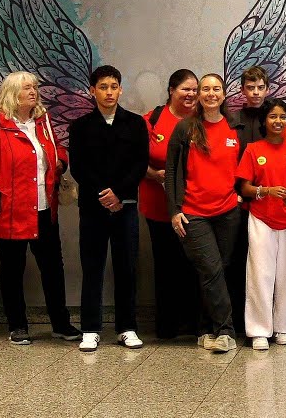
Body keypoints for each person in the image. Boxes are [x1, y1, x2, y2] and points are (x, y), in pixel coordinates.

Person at [0, 71, 79, 345]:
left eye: (35, 87)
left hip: (44, 209)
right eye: (26, 88)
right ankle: (17, 325)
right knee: (12, 269)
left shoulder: (43, 121)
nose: (33, 92)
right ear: (12, 93)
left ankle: (61, 323)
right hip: (9, 211)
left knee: (53, 267)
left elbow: (56, 149)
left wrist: (61, 162)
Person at [68, 65, 150, 351]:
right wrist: (104, 194)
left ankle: (127, 327)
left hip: (125, 205)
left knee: (126, 267)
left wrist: (119, 193)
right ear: (92, 91)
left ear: (121, 89)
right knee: (93, 267)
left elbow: (140, 164)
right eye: (103, 87)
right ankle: (90, 328)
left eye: (114, 86)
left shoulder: (136, 124)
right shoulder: (80, 126)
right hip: (93, 206)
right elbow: (78, 166)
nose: (109, 92)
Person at [164, 73, 245, 353]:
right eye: (205, 89)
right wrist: (174, 210)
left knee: (218, 270)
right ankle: (225, 331)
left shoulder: (236, 127)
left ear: (224, 94)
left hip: (227, 212)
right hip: (193, 213)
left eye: (216, 89)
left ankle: (205, 327)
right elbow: (172, 170)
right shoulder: (186, 128)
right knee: (211, 269)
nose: (211, 94)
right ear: (199, 94)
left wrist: (239, 193)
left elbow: (244, 168)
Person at [235, 99, 286, 350]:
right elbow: (244, 187)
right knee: (260, 274)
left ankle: (282, 328)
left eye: (283, 117)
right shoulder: (253, 150)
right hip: (261, 219)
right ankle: (258, 330)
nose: (278, 121)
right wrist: (265, 191)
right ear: (264, 121)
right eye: (273, 117)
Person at [141, 69, 201, 339]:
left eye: (194, 90)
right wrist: (154, 175)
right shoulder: (152, 120)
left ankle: (193, 322)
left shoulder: (202, 120)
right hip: (159, 207)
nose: (190, 95)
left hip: (195, 207)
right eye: (185, 89)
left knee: (193, 266)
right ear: (171, 91)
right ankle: (166, 325)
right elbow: (134, 160)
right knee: (165, 266)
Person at [225, 65, 272, 341]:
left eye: (260, 88)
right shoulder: (233, 120)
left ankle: (263, 320)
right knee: (236, 260)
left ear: (267, 89)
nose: (255, 93)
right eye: (250, 88)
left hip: (266, 203)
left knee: (262, 264)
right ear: (242, 91)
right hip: (238, 202)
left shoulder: (275, 116)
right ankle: (237, 322)